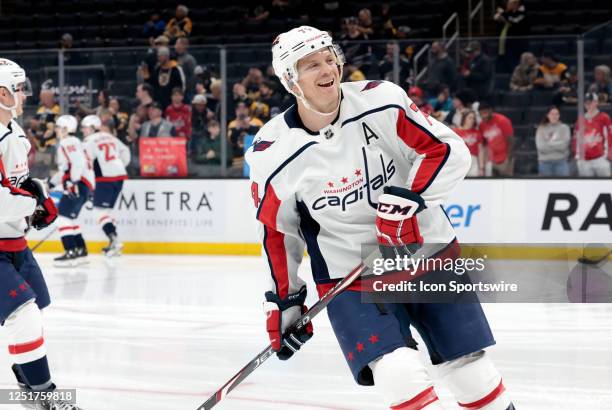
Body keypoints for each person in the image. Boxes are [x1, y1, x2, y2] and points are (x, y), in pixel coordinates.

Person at [245, 26, 514, 410]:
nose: (327, 69)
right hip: (351, 274)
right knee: (397, 373)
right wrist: (284, 302)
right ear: (291, 80)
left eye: (329, 57)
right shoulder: (271, 153)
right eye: (311, 65)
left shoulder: (383, 101)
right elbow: (277, 233)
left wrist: (410, 200)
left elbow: (447, 150)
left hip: (427, 253)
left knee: (471, 371)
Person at [0, 58, 84, 410]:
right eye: (19, 89)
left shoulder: (15, 131)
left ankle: (26, 377)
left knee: (38, 305)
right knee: (24, 313)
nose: (24, 95)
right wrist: (33, 203)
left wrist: (37, 198)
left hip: (14, 240)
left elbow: (17, 185)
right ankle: (44, 392)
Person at [48, 115, 95, 267]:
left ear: (66, 129)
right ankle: (81, 251)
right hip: (82, 184)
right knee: (70, 219)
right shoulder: (74, 142)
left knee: (62, 217)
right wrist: (51, 183)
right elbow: (65, 169)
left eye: (58, 127)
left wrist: (73, 182)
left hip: (79, 184)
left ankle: (71, 251)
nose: (56, 129)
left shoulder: (68, 142)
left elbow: (78, 163)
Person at [82, 115, 130, 256]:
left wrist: (89, 184)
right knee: (107, 212)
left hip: (104, 179)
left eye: (84, 127)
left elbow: (88, 164)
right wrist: (120, 166)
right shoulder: (110, 137)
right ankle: (114, 243)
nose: (83, 130)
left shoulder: (88, 141)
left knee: (99, 212)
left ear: (92, 127)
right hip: (120, 176)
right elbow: (125, 151)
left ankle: (114, 239)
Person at [573, 93, 611, 177]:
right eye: (586, 103)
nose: (588, 105)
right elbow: (576, 140)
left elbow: (609, 137)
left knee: (605, 186)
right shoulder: (580, 120)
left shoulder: (604, 118)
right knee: (586, 188)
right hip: (585, 161)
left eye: (591, 102)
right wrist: (578, 156)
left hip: (600, 159)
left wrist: (607, 156)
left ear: (596, 102)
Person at [478, 101, 515, 176]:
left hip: (505, 159)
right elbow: (484, 144)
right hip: (492, 160)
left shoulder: (502, 121)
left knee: (507, 183)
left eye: (485, 113)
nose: (483, 116)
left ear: (490, 110)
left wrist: (508, 160)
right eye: (481, 114)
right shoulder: (481, 125)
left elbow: (511, 141)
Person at [535, 106, 571, 177]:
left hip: (561, 162)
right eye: (552, 114)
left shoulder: (565, 128)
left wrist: (548, 144)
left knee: (563, 187)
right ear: (547, 115)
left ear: (559, 115)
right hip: (545, 163)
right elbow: (541, 147)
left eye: (556, 114)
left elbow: (563, 146)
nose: (554, 116)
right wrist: (557, 144)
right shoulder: (541, 129)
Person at [453, 110, 485, 176]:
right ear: (464, 118)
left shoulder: (477, 132)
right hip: (460, 160)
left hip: (473, 160)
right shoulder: (456, 132)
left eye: (473, 118)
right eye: (470, 118)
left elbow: (480, 151)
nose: (472, 120)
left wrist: (481, 168)